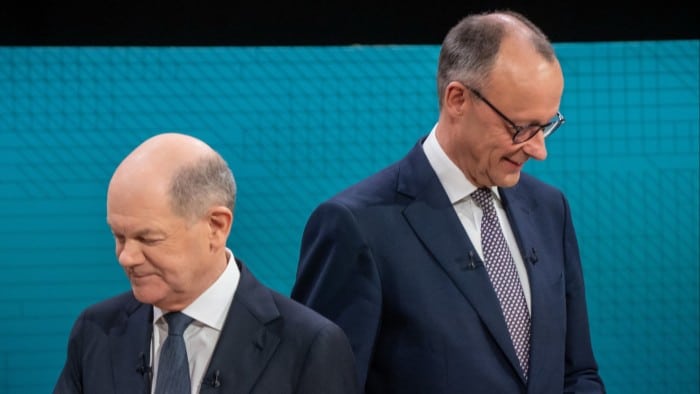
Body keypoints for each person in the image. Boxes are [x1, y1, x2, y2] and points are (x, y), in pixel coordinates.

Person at [291, 10, 606, 394]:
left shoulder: (550, 210)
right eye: (521, 128)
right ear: (457, 99)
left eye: (547, 126)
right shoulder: (356, 226)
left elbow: (578, 374)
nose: (538, 150)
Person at [54, 132, 360, 394]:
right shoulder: (95, 332)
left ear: (216, 226)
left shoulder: (308, 345)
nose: (126, 257)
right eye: (119, 236)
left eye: (148, 239)